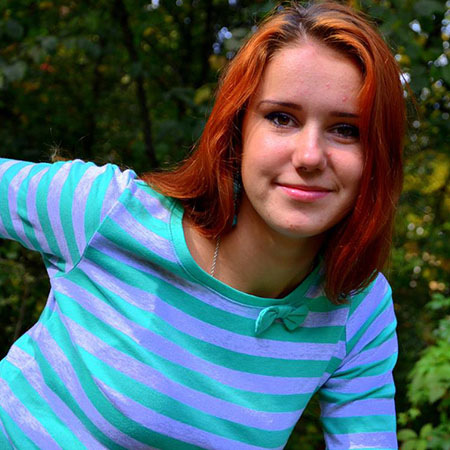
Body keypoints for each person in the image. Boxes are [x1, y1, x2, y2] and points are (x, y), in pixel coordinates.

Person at [0, 1, 405, 449]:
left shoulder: (358, 306)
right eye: (281, 118)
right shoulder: (108, 212)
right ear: (238, 130)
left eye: (346, 129)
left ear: (378, 154)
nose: (309, 156)